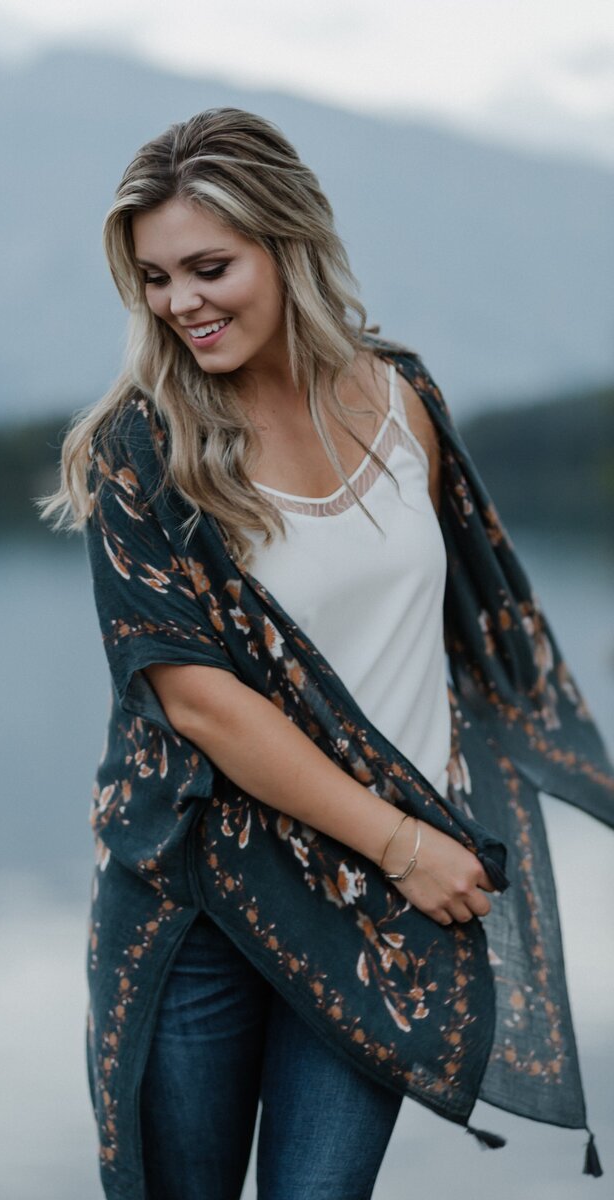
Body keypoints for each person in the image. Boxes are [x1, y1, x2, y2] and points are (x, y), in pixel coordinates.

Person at [40, 108, 612, 1200]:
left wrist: (446, 807)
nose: (180, 305)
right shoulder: (140, 446)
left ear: (288, 242)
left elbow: (465, 619)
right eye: (155, 279)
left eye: (209, 267)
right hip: (199, 899)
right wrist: (404, 843)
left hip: (371, 912)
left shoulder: (401, 399)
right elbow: (199, 702)